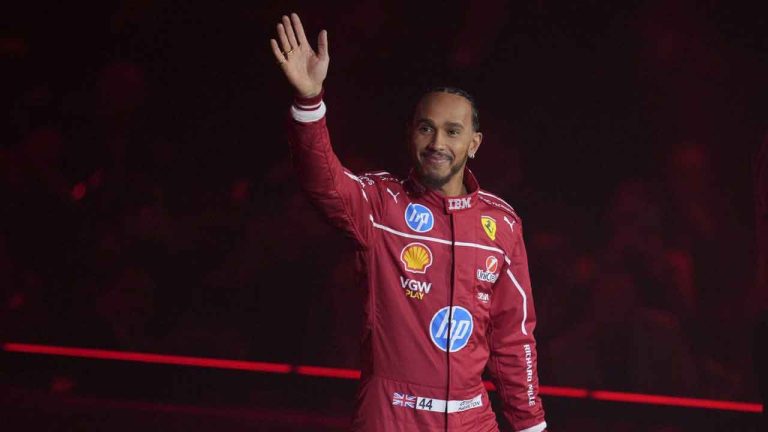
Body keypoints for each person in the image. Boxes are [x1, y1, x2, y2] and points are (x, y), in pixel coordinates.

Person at [270, 13, 547, 432]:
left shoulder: (502, 224)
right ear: (411, 135)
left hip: (473, 420)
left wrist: (531, 427)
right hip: (391, 417)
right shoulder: (381, 205)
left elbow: (514, 339)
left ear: (474, 144)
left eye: (453, 132)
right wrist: (310, 102)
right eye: (426, 128)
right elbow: (323, 181)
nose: (438, 143)